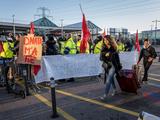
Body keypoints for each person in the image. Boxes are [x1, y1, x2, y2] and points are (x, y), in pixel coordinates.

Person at [100, 35, 122, 100]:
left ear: (110, 40)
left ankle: (105, 95)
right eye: (104, 40)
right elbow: (101, 58)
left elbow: (117, 58)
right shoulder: (103, 48)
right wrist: (106, 54)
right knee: (111, 78)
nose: (105, 41)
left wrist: (119, 67)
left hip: (113, 65)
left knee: (108, 80)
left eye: (107, 40)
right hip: (107, 65)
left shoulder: (114, 48)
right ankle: (115, 89)